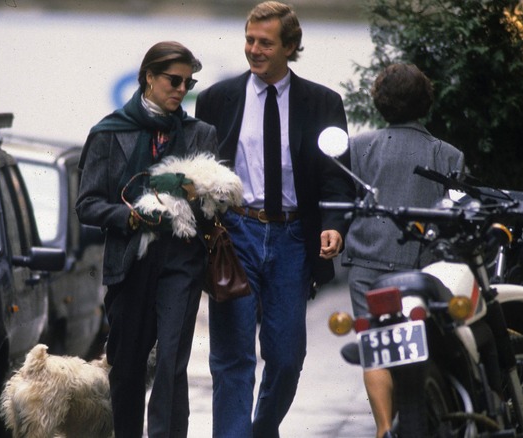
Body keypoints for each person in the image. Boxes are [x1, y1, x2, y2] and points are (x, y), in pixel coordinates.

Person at [195, 2, 355, 436]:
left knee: (286, 357)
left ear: (290, 46)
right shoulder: (216, 99)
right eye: (249, 39)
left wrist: (333, 227)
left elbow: (338, 180)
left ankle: (262, 428)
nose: (254, 50)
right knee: (233, 356)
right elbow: (200, 171)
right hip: (235, 234)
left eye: (265, 42)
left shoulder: (322, 103)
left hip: (292, 240)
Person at [75, 41, 217, 438]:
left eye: (188, 83)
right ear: (149, 77)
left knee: (171, 361)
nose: (180, 89)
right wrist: (128, 215)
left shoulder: (200, 134)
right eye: (173, 80)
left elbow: (215, 205)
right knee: (129, 364)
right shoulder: (108, 132)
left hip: (182, 259)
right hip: (129, 262)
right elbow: (86, 205)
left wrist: (199, 194)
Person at [342, 63, 465, 438]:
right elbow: (455, 214)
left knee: (375, 345)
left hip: (366, 261)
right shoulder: (448, 155)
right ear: (425, 102)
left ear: (380, 102)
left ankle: (383, 428)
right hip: (420, 269)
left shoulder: (360, 147)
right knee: (415, 346)